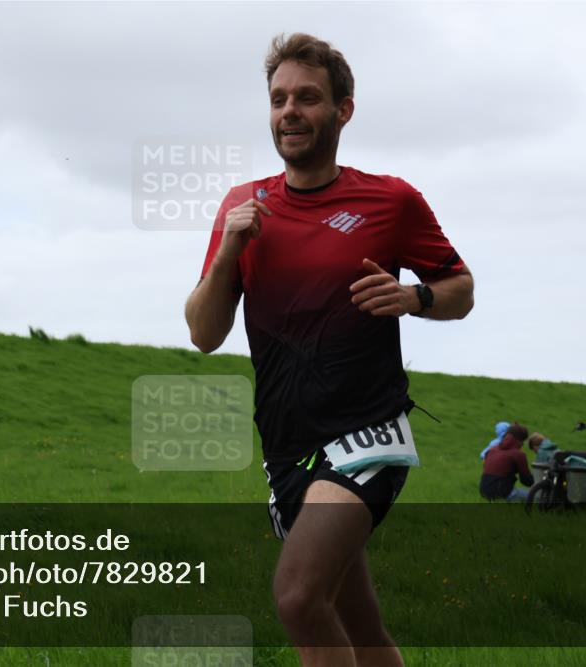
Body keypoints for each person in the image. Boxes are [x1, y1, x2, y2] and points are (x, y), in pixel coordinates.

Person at [184, 33, 474, 667]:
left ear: (343, 110)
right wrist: (231, 249)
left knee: (296, 595)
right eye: (278, 98)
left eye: (307, 98)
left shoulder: (390, 200)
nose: (289, 111)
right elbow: (204, 334)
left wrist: (415, 298)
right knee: (360, 630)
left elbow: (461, 289)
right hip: (287, 447)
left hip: (368, 432)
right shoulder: (242, 206)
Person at [479, 423, 534, 501]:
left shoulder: (492, 450)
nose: (522, 445)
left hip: (484, 491)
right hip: (503, 492)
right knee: (536, 498)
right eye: (523, 441)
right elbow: (526, 481)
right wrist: (538, 480)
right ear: (519, 441)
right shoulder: (518, 454)